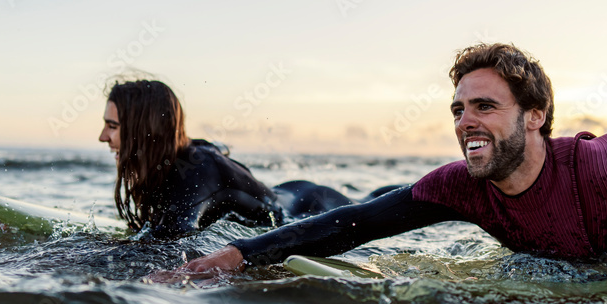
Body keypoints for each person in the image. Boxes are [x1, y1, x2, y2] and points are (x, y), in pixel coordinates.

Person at [164, 43, 607, 277]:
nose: (464, 122)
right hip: (578, 256)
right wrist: (236, 257)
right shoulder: (463, 187)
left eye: (483, 105)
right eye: (456, 108)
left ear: (534, 115)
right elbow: (356, 223)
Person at [100, 79, 390, 240]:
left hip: (312, 206)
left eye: (112, 126)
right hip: (291, 192)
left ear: (144, 130)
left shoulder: (195, 172)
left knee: (379, 202)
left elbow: (165, 247)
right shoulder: (175, 162)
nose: (103, 136)